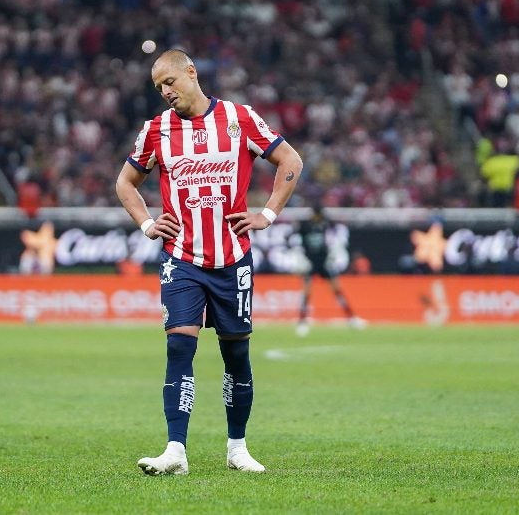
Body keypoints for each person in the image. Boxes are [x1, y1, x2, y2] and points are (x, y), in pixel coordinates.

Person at [115, 49, 303, 475]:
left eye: (170, 81)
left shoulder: (239, 119)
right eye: (158, 87)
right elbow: (125, 182)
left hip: (232, 259)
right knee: (179, 344)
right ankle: (175, 451)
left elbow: (290, 160)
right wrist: (146, 224)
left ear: (191, 72)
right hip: (181, 258)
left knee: (236, 355)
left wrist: (268, 213)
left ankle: (237, 448)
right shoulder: (156, 131)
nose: (165, 92)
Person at [296, 204, 366, 336]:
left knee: (337, 291)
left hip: (323, 262)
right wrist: (302, 259)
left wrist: (330, 257)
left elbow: (330, 241)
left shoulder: (325, 224)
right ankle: (302, 321)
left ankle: (351, 318)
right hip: (311, 262)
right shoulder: (304, 226)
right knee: (306, 293)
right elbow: (299, 243)